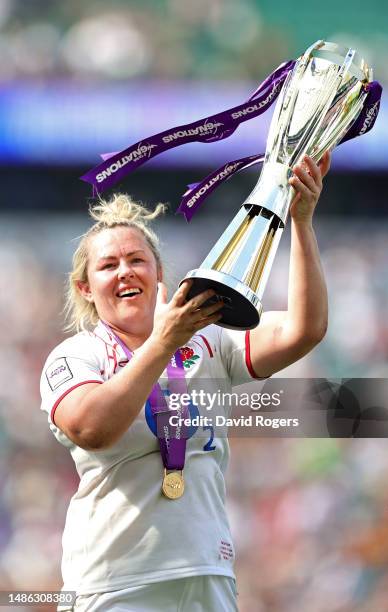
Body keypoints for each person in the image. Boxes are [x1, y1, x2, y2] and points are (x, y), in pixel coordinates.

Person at [40, 152, 331, 612]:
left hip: (208, 574)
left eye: (137, 260)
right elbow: (92, 428)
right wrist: (163, 342)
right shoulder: (77, 356)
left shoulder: (210, 340)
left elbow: (304, 330)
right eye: (108, 265)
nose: (125, 272)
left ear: (158, 275)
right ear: (85, 288)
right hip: (117, 584)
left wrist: (301, 221)